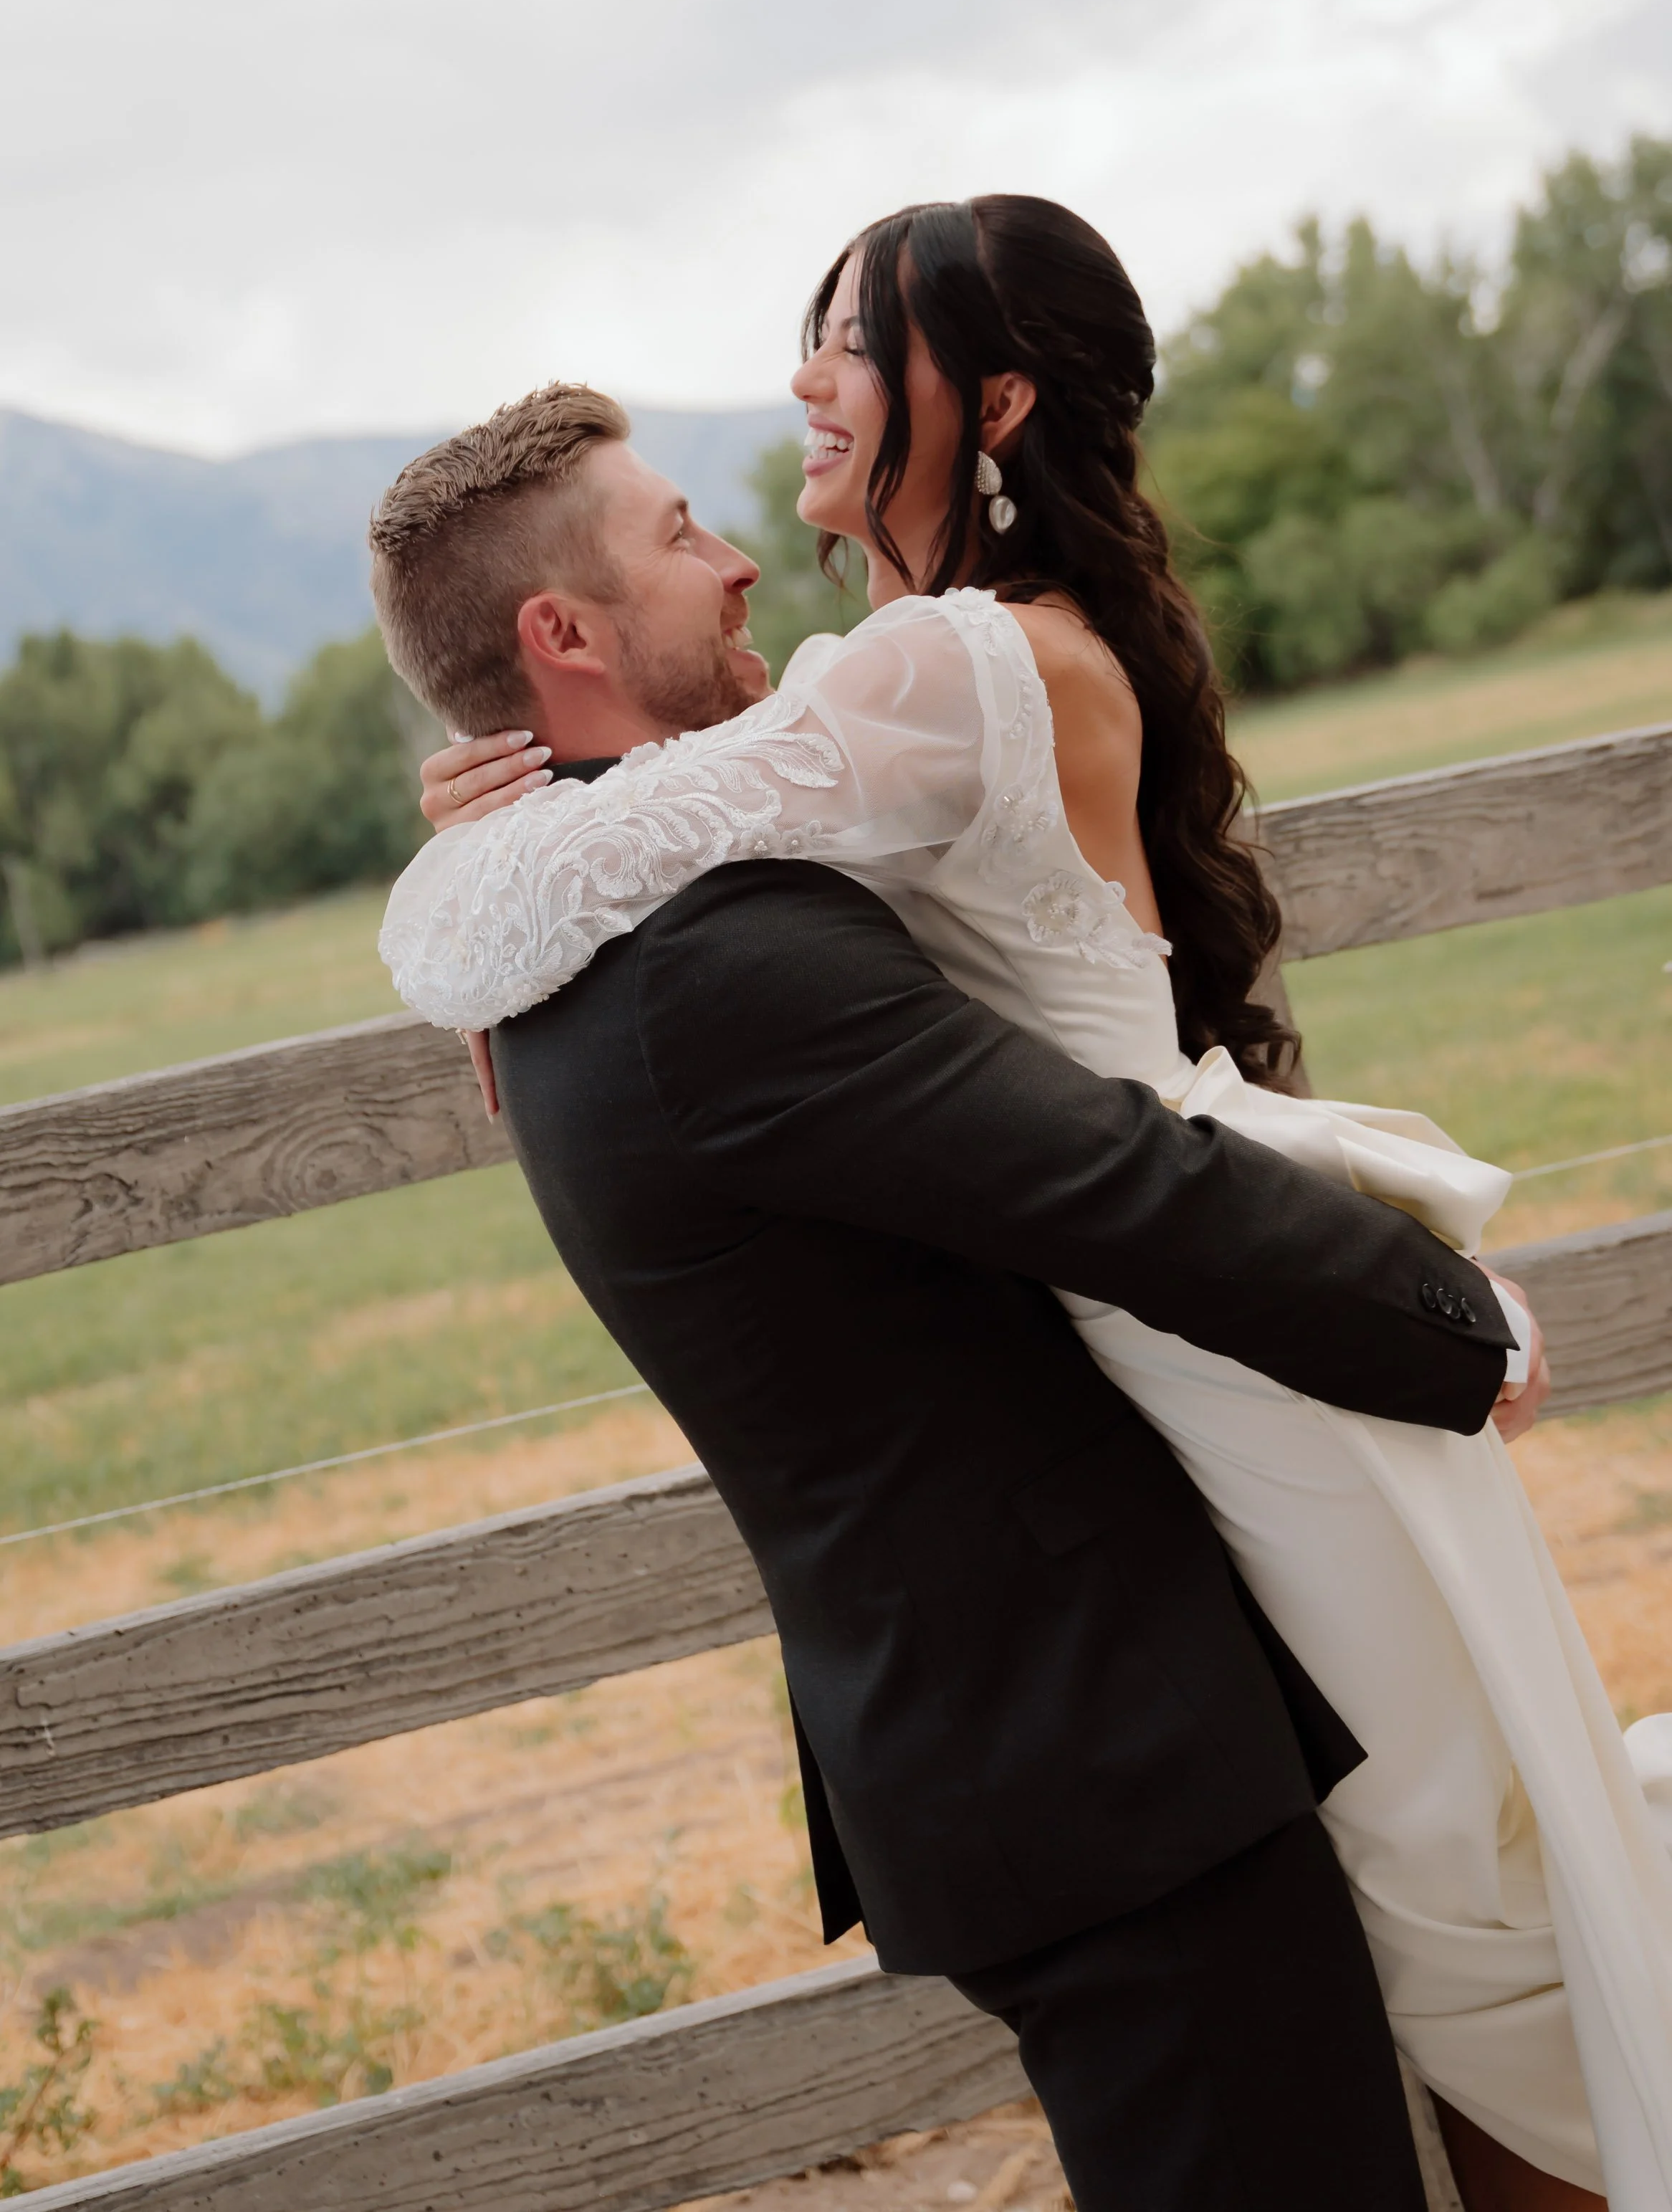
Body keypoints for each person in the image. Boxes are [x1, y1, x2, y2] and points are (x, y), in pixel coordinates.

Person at [368, 204, 1669, 2206]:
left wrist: (474, 849)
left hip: (1222, 1349)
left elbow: (622, 871)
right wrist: (519, 813)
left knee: (1465, 1916)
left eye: (849, 342)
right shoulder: (860, 735)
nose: (800, 388)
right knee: (1459, 1913)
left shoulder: (932, 667)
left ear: (986, 405)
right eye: (676, 526)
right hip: (1148, 1445)